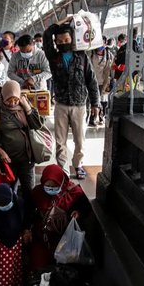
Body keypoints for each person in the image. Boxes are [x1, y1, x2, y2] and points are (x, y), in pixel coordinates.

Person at [43, 17, 100, 179]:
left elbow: (92, 80)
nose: (63, 43)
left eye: (66, 40)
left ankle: (78, 165)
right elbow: (47, 36)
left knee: (80, 140)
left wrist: (95, 103)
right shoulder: (53, 57)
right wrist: (61, 23)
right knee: (60, 142)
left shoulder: (82, 57)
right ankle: (63, 169)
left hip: (80, 105)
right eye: (59, 41)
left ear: (72, 39)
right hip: (61, 104)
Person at [0, 80, 44, 204]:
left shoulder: (25, 106)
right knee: (10, 191)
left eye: (15, 100)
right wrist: (0, 152)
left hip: (27, 159)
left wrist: (27, 107)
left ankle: (29, 218)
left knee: (29, 192)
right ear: (3, 97)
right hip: (8, 161)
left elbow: (37, 125)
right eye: (9, 100)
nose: (12, 104)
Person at [28, 164, 90, 272]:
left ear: (61, 183)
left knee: (63, 269)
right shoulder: (37, 192)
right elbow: (29, 211)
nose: (50, 189)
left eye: (54, 186)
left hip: (64, 239)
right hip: (43, 238)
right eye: (48, 185)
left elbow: (85, 206)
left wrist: (78, 212)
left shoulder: (74, 192)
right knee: (39, 265)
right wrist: (27, 229)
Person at [89, 45, 114, 126]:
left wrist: (107, 84)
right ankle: (92, 118)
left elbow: (108, 71)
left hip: (101, 82)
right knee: (92, 100)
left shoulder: (109, 55)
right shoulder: (91, 53)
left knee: (100, 100)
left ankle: (100, 117)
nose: (99, 51)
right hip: (91, 81)